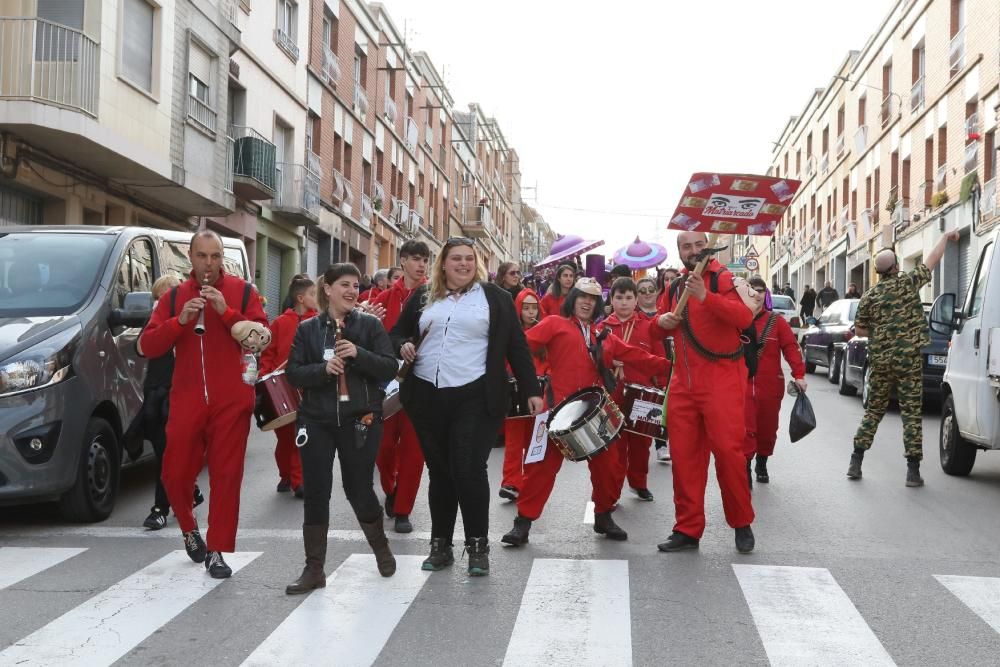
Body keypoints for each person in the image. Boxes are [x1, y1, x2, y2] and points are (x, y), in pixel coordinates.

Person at [392, 237, 541, 576]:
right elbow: (397, 334)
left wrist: (531, 389)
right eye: (455, 258)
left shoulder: (496, 299)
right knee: (441, 472)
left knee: (468, 469)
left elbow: (517, 347)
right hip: (427, 395)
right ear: (443, 263)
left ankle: (477, 546)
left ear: (478, 264)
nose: (463, 264)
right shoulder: (423, 295)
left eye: (469, 259)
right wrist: (402, 346)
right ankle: (440, 545)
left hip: (476, 395)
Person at [139, 230, 270, 578]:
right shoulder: (173, 297)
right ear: (191, 257)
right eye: (202, 256)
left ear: (221, 258)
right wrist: (179, 320)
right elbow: (147, 346)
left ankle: (217, 550)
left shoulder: (243, 291)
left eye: (215, 256)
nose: (209, 264)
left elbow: (261, 338)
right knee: (174, 471)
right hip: (186, 397)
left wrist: (226, 312)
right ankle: (187, 526)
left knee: (227, 475)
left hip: (232, 398)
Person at [501, 278, 669, 547]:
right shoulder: (554, 324)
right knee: (539, 469)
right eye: (582, 296)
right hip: (555, 410)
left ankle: (603, 516)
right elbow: (520, 348)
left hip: (593, 413)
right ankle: (523, 523)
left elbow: (638, 357)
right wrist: (523, 379)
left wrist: (674, 367)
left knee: (609, 468)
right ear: (573, 298)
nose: (587, 302)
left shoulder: (603, 336)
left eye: (592, 298)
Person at [284, 263, 400, 593]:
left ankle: (380, 549)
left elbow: (390, 367)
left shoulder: (370, 326)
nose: (352, 291)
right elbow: (293, 373)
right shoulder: (307, 330)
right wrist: (323, 369)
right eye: (344, 285)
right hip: (316, 420)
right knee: (316, 491)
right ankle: (314, 569)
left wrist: (358, 353)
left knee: (358, 490)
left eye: (355, 286)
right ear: (328, 289)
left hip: (360, 421)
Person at [652, 231, 761, 555]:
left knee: (729, 456)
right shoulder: (674, 287)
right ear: (680, 251)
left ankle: (742, 523)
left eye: (699, 244)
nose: (694, 250)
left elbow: (744, 317)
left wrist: (705, 296)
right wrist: (663, 321)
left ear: (709, 248)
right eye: (687, 246)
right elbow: (652, 328)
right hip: (684, 384)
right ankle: (687, 528)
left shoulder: (724, 279)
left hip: (721, 382)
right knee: (685, 461)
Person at [848, 231, 959, 485]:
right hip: (908, 361)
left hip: (881, 362)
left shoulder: (869, 296)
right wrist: (944, 236)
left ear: (878, 272)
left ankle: (856, 461)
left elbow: (860, 330)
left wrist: (881, 330)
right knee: (911, 414)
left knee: (873, 412)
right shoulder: (908, 283)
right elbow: (931, 259)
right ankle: (912, 471)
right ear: (896, 267)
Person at [372, 240, 430, 533]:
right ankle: (391, 487)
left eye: (425, 260)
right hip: (386, 385)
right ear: (403, 261)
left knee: (414, 450)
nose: (421, 265)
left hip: (421, 385)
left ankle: (404, 508)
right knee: (382, 446)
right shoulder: (382, 298)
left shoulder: (434, 297)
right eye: (416, 259)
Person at [139, 274, 203, 530]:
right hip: (155, 391)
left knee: (169, 454)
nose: (161, 301)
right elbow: (142, 348)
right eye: (158, 297)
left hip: (179, 392)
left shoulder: (194, 318)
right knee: (162, 451)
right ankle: (190, 490)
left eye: (167, 295)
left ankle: (160, 508)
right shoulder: (158, 320)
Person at [601, 277, 667, 500]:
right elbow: (593, 360)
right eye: (619, 298)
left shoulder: (648, 327)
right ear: (611, 299)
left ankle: (638, 482)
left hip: (644, 394)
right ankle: (613, 490)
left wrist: (665, 387)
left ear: (636, 299)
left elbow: (659, 358)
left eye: (629, 297)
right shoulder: (603, 328)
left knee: (642, 443)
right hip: (613, 394)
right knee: (616, 446)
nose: (624, 302)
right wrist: (611, 362)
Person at [742, 277, 807, 485]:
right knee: (744, 428)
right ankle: (745, 467)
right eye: (752, 290)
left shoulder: (776, 321)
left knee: (767, 429)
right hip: (740, 385)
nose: (757, 295)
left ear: (765, 294)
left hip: (770, 385)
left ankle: (762, 461)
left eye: (761, 291)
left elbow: (791, 348)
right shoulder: (735, 320)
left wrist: (799, 375)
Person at [260, 275, 319, 498]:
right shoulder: (279, 323)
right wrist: (267, 374)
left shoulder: (319, 323)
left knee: (299, 437)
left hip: (307, 389)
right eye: (313, 294)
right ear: (300, 298)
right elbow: (268, 353)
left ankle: (298, 481)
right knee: (284, 438)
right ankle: (286, 474)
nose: (317, 298)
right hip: (282, 388)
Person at [499, 288, 548, 501]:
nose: (530, 312)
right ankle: (511, 482)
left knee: (534, 441)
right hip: (515, 392)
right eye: (526, 308)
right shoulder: (510, 332)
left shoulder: (546, 333)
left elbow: (551, 361)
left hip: (539, 393)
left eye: (534, 307)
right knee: (513, 440)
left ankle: (529, 482)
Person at [637, 276, 671, 463]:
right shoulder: (634, 317)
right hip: (644, 368)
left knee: (663, 405)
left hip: (666, 363)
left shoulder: (664, 312)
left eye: (650, 289)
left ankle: (661, 443)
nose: (647, 293)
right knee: (647, 408)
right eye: (642, 291)